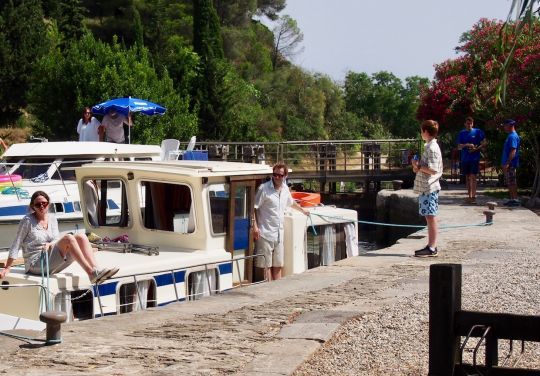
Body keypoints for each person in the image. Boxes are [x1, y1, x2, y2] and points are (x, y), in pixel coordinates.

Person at [0, 191, 118, 284]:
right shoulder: (27, 221)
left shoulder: (52, 219)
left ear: (48, 204)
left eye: (44, 203)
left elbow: (56, 239)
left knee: (81, 236)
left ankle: (97, 270)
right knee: (68, 238)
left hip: (51, 258)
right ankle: (91, 273)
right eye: (37, 204)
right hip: (36, 263)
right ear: (33, 206)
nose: (41, 206)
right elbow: (17, 243)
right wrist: (8, 267)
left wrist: (51, 244)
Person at [252, 163, 309, 281]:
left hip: (279, 234)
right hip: (265, 233)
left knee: (278, 265)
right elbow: (253, 208)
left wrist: (302, 210)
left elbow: (291, 202)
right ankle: (268, 289)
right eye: (275, 175)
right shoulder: (264, 188)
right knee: (266, 266)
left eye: (280, 175)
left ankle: (277, 289)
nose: (277, 177)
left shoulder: (285, 189)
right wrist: (255, 227)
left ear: (285, 176)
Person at [412, 120, 443, 257]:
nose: (421, 133)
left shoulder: (432, 148)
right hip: (426, 187)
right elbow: (425, 168)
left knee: (430, 216)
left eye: (421, 131)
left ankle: (432, 246)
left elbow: (433, 170)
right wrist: (417, 166)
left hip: (429, 186)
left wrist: (419, 166)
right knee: (429, 215)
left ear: (425, 132)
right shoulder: (429, 146)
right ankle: (431, 245)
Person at [457, 116, 486, 204]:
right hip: (465, 158)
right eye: (467, 123)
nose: (469, 125)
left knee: (473, 176)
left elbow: (484, 143)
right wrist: (467, 145)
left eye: (471, 123)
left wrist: (476, 149)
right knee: (467, 177)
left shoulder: (478, 132)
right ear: (465, 124)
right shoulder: (461, 133)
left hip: (474, 158)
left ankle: (473, 196)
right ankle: (469, 196)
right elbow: (459, 146)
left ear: (472, 124)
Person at [500, 119, 521, 207]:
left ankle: (515, 199)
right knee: (510, 181)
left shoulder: (512, 136)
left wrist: (508, 163)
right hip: (508, 163)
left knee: (512, 181)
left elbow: (513, 150)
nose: (504, 127)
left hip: (511, 164)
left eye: (505, 125)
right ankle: (512, 199)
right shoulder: (510, 136)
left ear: (510, 125)